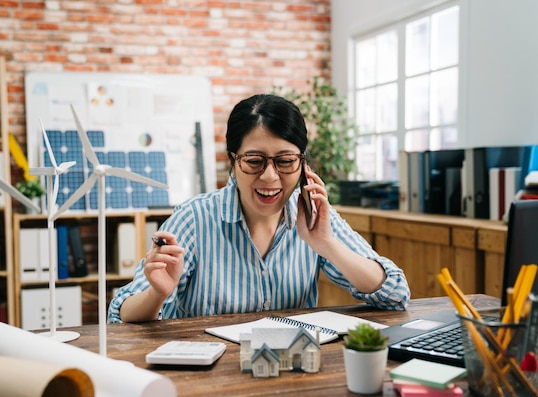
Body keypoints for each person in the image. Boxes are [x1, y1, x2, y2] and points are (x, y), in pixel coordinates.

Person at [108, 94, 410, 323]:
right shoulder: (194, 218)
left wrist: (327, 244)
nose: (269, 176)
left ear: (302, 163)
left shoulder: (313, 216)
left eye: (285, 161)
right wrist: (157, 294)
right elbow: (119, 315)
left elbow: (396, 294)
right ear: (233, 160)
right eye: (254, 161)